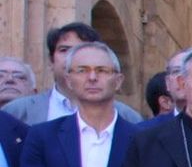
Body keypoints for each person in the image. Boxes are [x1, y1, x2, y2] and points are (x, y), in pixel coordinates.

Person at [5, 24, 141, 125]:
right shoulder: (17, 111)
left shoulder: (127, 117)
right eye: (64, 50)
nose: (72, 56)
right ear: (51, 61)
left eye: (81, 49)